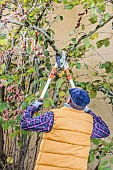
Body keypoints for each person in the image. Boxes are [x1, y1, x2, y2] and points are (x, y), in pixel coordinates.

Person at [20, 88, 110, 170]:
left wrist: (33, 107)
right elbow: (105, 131)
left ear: (69, 100)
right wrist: (89, 111)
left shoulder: (53, 117)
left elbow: (25, 123)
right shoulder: (89, 123)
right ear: (85, 106)